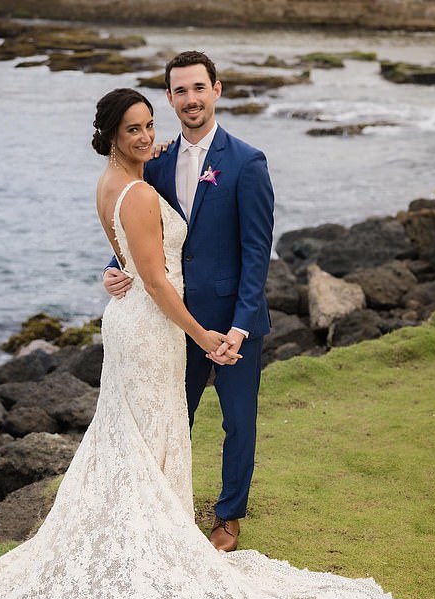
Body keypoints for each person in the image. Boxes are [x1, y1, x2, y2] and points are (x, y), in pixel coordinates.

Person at [0, 87, 435, 599]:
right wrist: (204, 337)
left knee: (136, 435)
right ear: (108, 132)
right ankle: (149, 545)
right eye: (133, 127)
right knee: (144, 432)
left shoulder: (122, 182)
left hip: (133, 324)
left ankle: (160, 528)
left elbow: (140, 257)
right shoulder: (134, 191)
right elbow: (157, 280)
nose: (146, 134)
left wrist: (130, 255)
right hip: (157, 327)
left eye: (149, 124)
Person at [104, 51, 275, 552]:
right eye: (180, 91)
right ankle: (161, 514)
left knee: (239, 423)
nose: (190, 99)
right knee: (175, 417)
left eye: (198, 88)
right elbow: (137, 235)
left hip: (235, 324)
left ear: (216, 90)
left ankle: (228, 517)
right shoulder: (153, 164)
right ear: (170, 98)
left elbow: (256, 253)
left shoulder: (247, 162)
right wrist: (114, 270)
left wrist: (240, 327)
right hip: (173, 321)